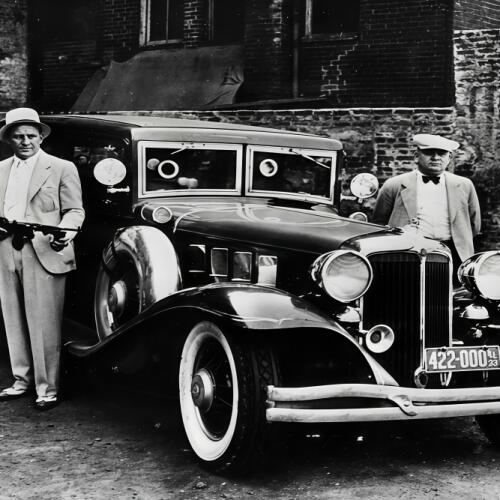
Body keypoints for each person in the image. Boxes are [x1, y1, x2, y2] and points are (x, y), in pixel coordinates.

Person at [0, 107, 84, 411]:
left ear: (40, 137)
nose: (25, 141)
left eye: (31, 136)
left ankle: (47, 388)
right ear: (9, 139)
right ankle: (21, 380)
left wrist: (65, 233)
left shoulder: (61, 167)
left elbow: (74, 210)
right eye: (18, 136)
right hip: (6, 246)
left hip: (45, 248)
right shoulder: (0, 169)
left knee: (44, 321)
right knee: (12, 317)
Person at [373, 133, 481, 277]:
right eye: (429, 152)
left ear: (449, 158)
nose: (436, 158)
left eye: (442, 153)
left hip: (454, 253)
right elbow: (379, 224)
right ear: (416, 156)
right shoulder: (394, 185)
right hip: (409, 252)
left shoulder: (464, 185)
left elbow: (474, 225)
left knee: (453, 290)